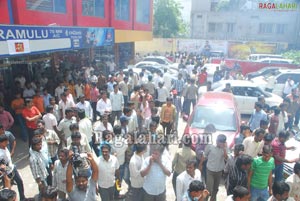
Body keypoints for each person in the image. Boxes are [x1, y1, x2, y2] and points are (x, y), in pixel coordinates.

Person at [199, 134, 228, 201]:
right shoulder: (210, 146)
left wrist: (224, 149)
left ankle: (213, 199)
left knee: (215, 188)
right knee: (208, 189)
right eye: (219, 142)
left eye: (222, 142)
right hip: (210, 170)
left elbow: (226, 158)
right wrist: (200, 164)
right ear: (216, 141)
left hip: (219, 171)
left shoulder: (225, 147)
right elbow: (204, 155)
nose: (220, 144)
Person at [0, 135, 26, 201]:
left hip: (12, 168)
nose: (8, 143)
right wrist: (8, 169)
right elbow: (2, 167)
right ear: (1, 143)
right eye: (6, 142)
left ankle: (22, 198)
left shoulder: (5, 148)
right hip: (7, 173)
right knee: (8, 189)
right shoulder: (0, 154)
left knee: (20, 182)